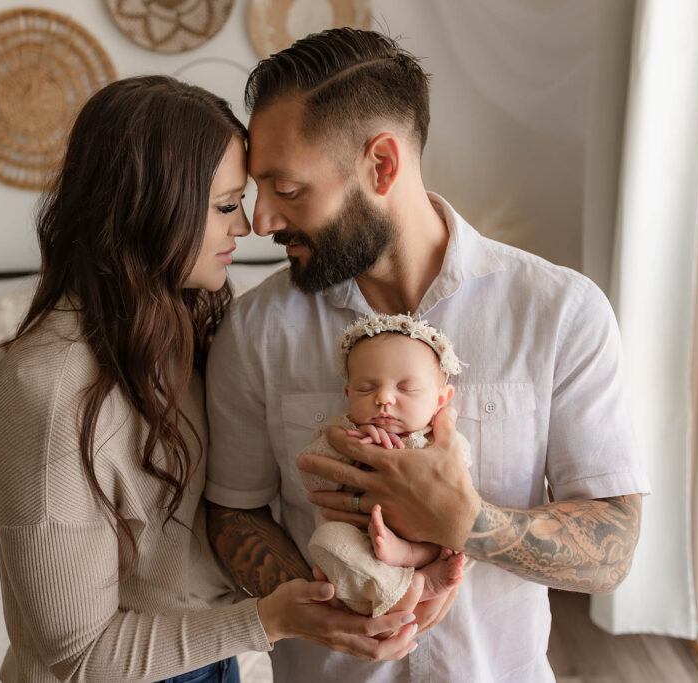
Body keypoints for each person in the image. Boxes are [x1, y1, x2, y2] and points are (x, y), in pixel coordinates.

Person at [205, 29, 651, 682]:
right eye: (256, 191)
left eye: (289, 190)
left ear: (381, 166)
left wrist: (466, 521)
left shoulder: (559, 311)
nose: (263, 220)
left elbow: (610, 550)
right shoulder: (256, 327)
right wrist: (324, 603)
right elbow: (231, 509)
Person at [0, 75, 420, 683]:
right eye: (227, 205)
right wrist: (267, 620)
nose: (251, 225)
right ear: (150, 209)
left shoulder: (174, 330)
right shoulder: (46, 394)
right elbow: (77, 657)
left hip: (203, 658)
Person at [301, 313, 467, 619]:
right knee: (325, 542)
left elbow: (460, 491)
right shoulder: (342, 431)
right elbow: (314, 482)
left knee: (459, 536)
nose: (384, 399)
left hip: (425, 543)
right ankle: (412, 585)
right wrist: (343, 447)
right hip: (359, 540)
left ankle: (412, 562)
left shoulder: (438, 442)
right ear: (348, 395)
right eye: (366, 389)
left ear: (441, 399)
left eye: (407, 389)